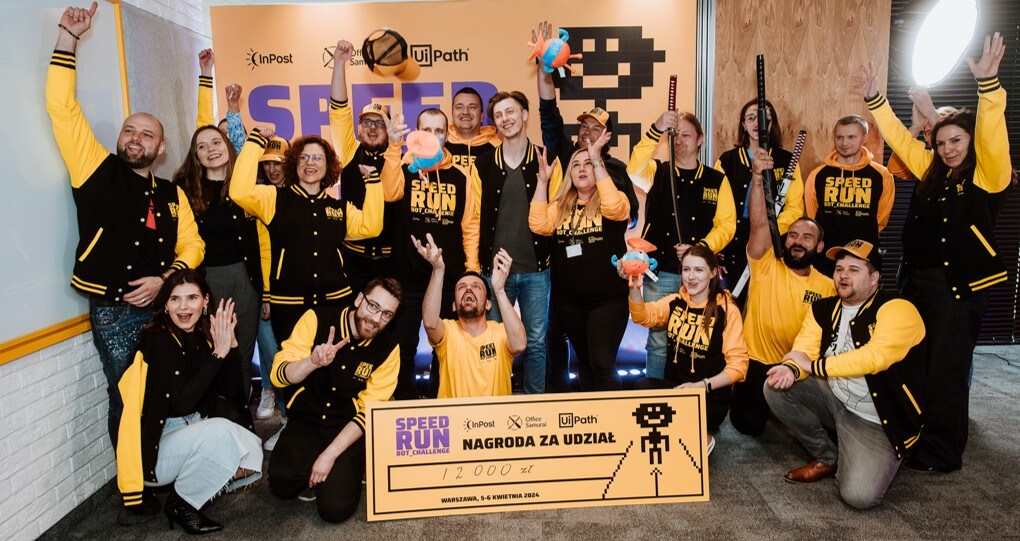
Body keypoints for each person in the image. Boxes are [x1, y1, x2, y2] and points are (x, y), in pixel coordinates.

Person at [46, 2, 205, 445]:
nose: (135, 138)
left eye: (146, 134)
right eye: (129, 131)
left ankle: (159, 465)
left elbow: (193, 247)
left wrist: (165, 279)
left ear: (161, 148)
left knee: (164, 392)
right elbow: (61, 107)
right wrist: (68, 38)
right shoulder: (94, 168)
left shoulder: (172, 194)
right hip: (114, 312)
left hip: (166, 309)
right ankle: (133, 480)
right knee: (127, 397)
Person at [857, 33, 1011, 472]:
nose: (947, 149)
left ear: (971, 142)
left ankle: (942, 453)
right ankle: (914, 432)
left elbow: (993, 134)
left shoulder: (988, 174)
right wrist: (875, 99)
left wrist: (989, 86)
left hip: (957, 290)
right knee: (916, 361)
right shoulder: (932, 169)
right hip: (918, 283)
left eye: (956, 141)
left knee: (946, 370)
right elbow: (901, 140)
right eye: (942, 143)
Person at [764, 241, 926, 509]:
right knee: (775, 387)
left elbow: (875, 358)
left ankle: (866, 454)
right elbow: (804, 350)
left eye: (854, 269)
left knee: (859, 497)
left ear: (874, 278)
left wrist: (813, 367)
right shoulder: (823, 308)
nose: (843, 275)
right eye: (839, 269)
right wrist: (790, 369)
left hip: (877, 419)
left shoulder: (898, 308)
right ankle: (827, 456)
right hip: (837, 397)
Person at [533, 20, 640, 391]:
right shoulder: (567, 156)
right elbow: (549, 112)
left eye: (595, 128)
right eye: (583, 126)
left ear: (607, 137)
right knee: (576, 361)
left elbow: (627, 215)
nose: (586, 132)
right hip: (564, 286)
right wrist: (544, 68)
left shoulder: (616, 170)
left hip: (606, 289)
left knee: (601, 361)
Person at [116, 270, 262, 533]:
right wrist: (217, 355)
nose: (183, 307)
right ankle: (181, 504)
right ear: (165, 304)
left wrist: (230, 347)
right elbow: (182, 403)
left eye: (192, 298)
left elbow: (231, 391)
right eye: (175, 299)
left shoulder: (203, 334)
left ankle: (190, 479)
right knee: (220, 431)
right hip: (159, 447)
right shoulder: (157, 339)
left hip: (193, 429)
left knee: (253, 451)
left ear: (205, 301)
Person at [229, 127, 383, 345]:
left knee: (333, 361)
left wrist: (373, 183)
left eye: (318, 158)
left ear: (328, 166)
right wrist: (255, 142)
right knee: (293, 363)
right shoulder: (273, 198)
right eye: (304, 157)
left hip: (335, 302)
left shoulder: (339, 208)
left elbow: (372, 226)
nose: (310, 162)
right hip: (289, 304)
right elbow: (239, 192)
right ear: (294, 163)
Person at [267, 279, 402, 523]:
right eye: (373, 306)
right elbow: (278, 375)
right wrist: (311, 362)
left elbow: (368, 411)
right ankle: (310, 464)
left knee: (334, 509)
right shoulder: (316, 318)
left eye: (386, 314)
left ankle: (351, 461)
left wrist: (329, 455)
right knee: (281, 483)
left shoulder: (389, 348)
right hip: (306, 419)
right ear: (359, 299)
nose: (376, 318)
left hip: (345, 426)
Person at [176, 50, 263, 407]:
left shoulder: (247, 182)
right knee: (213, 349)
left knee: (242, 351)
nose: (211, 149)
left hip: (245, 277)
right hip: (205, 279)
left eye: (216, 142)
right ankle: (218, 414)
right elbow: (202, 124)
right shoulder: (185, 188)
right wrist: (204, 75)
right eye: (202, 146)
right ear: (195, 155)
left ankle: (241, 415)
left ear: (228, 145)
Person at [729, 148, 834, 437]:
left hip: (798, 368)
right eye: (793, 235)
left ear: (819, 247)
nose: (798, 241)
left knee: (822, 423)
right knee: (746, 426)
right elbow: (760, 223)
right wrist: (757, 178)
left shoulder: (828, 286)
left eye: (807, 237)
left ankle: (785, 409)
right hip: (757, 362)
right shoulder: (765, 263)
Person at [627, 110, 736, 379]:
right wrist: (657, 127)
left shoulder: (717, 180)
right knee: (658, 340)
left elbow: (726, 225)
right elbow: (634, 169)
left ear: (700, 139)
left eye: (686, 135)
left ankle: (693, 394)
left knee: (700, 339)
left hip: (700, 275)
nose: (679, 141)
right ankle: (656, 393)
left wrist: (699, 250)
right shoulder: (657, 172)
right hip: (661, 272)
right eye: (675, 136)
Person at [380, 108, 480, 399]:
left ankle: (441, 401)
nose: (433, 136)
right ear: (416, 133)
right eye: (427, 130)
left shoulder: (462, 175)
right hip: (406, 277)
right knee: (402, 347)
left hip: (447, 278)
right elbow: (389, 193)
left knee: (446, 348)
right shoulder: (402, 165)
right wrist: (393, 148)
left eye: (439, 131)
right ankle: (406, 404)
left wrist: (471, 269)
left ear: (447, 135)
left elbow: (470, 226)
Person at [470, 91, 563, 394]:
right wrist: (474, 266)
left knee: (535, 342)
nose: (505, 119)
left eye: (510, 112)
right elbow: (472, 219)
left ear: (524, 115)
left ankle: (535, 404)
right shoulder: (482, 164)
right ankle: (498, 402)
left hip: (537, 270)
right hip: (495, 273)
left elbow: (556, 213)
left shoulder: (547, 159)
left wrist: (544, 181)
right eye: (498, 115)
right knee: (496, 341)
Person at [530, 140, 631, 391]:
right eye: (576, 165)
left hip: (608, 301)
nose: (582, 169)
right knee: (585, 362)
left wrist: (597, 160)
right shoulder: (561, 206)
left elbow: (616, 209)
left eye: (588, 164)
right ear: (569, 174)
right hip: (570, 303)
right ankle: (592, 414)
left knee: (603, 363)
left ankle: (614, 414)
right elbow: (538, 224)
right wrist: (542, 181)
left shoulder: (613, 198)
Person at [629, 245, 748, 452]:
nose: (691, 277)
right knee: (642, 386)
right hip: (677, 391)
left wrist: (702, 386)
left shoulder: (727, 310)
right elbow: (642, 316)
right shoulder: (676, 301)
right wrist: (634, 286)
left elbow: (739, 368)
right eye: (686, 269)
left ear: (713, 272)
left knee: (659, 418)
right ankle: (680, 433)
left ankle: (702, 437)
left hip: (708, 397)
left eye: (699, 270)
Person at [714, 98, 805, 299]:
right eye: (751, 118)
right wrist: (715, 253)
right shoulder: (727, 161)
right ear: (743, 124)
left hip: (772, 243)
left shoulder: (787, 161)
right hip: (733, 244)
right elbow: (716, 212)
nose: (757, 123)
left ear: (772, 124)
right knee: (732, 306)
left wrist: (772, 231)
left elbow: (794, 209)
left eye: (764, 119)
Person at [415, 234, 526, 397]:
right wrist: (438, 271)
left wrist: (499, 290)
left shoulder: (500, 332)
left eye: (476, 287)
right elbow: (430, 323)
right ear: (454, 306)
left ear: (488, 304)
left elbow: (520, 344)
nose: (468, 289)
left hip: (496, 413)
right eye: (461, 287)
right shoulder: (449, 332)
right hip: (455, 414)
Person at [329, 39, 398, 294]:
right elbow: (339, 110)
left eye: (379, 123)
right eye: (366, 122)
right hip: (353, 258)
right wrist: (339, 64)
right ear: (359, 128)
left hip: (392, 260)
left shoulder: (399, 159)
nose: (372, 128)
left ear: (389, 129)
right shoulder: (350, 152)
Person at [804, 115, 895, 275]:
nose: (844, 143)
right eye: (839, 137)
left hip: (864, 257)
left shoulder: (882, 175)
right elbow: (813, 217)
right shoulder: (817, 174)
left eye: (851, 137)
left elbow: (880, 219)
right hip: (824, 258)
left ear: (864, 138)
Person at [446, 87, 501, 172]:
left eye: (472, 107)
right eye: (459, 107)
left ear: (482, 116)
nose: (465, 112)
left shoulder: (498, 148)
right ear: (452, 115)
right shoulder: (440, 146)